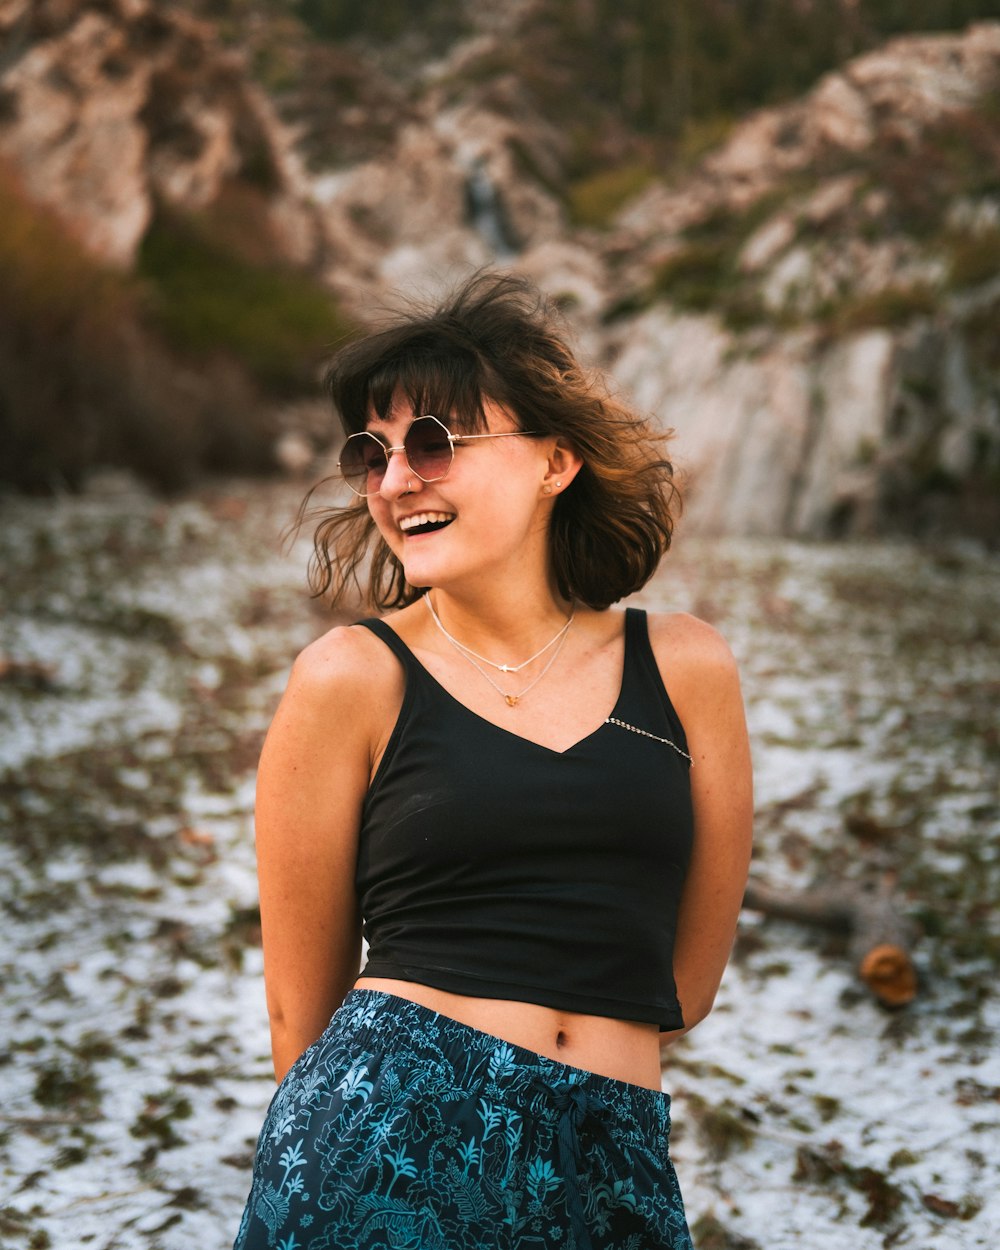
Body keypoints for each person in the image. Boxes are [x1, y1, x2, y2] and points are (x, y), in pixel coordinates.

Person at [233, 272, 753, 1250]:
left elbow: (681, 986)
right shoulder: (349, 678)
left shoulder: (685, 667)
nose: (394, 481)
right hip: (381, 1159)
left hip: (608, 1160)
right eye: (370, 453)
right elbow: (297, 1019)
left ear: (556, 459)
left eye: (432, 442)